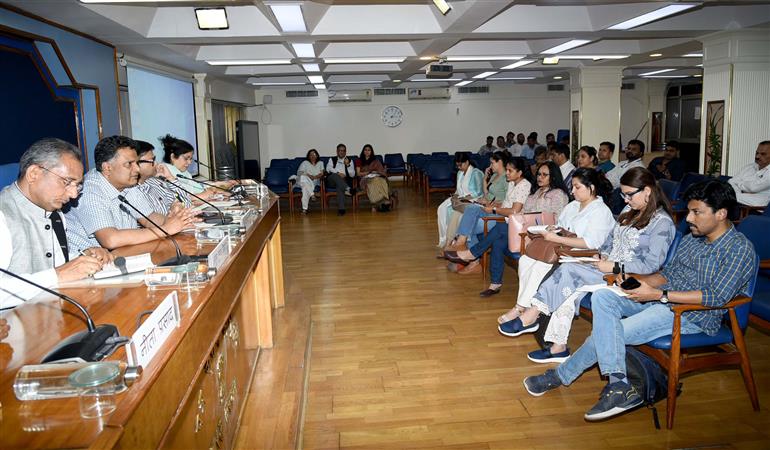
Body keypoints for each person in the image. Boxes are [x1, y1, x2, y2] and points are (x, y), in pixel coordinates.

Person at [523, 179, 756, 422]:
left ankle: (565, 376)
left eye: (697, 212)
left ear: (721, 214)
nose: (688, 218)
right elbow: (667, 275)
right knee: (605, 297)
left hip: (691, 314)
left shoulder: (738, 249)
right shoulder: (693, 239)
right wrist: (638, 283)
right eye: (689, 210)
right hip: (662, 300)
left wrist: (660, 295)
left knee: (610, 332)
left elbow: (715, 296)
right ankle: (619, 383)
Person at [525, 168, 676, 363]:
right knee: (567, 283)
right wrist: (601, 254)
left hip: (628, 277)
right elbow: (610, 239)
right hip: (606, 267)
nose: (626, 200)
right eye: (623, 195)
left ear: (647, 191)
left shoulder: (662, 223)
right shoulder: (629, 210)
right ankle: (557, 345)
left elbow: (652, 264)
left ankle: (532, 315)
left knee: (569, 273)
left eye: (629, 195)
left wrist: (613, 266)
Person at [497, 168, 615, 336]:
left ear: (592, 188)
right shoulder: (573, 206)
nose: (572, 191)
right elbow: (562, 226)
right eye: (572, 187)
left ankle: (521, 309)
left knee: (540, 267)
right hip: (562, 249)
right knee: (525, 260)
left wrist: (557, 238)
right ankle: (523, 307)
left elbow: (590, 243)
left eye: (577, 187)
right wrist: (554, 230)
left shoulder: (601, 211)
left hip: (583, 255)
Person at [0, 139, 109, 309]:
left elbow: (52, 260)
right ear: (34, 174)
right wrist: (57, 276)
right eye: (66, 182)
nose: (73, 194)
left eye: (77, 186)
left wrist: (83, 257)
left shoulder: (55, 213)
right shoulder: (3, 215)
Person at [447, 161, 569, 296]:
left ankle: (472, 253)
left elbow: (558, 220)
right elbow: (523, 213)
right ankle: (495, 284)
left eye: (545, 175)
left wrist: (534, 225)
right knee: (498, 241)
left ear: (553, 177)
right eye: (539, 174)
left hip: (543, 235)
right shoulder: (535, 192)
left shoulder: (558, 194)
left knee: (500, 228)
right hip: (526, 231)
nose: (540, 177)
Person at [65, 136, 199, 250]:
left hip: (124, 254)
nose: (137, 169)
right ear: (107, 168)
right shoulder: (90, 191)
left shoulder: (127, 184)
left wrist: (176, 220)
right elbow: (111, 239)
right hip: (91, 265)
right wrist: (167, 229)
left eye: (137, 163)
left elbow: (149, 217)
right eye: (129, 164)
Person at [446, 157, 532, 274]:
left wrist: (494, 209)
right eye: (506, 170)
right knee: (471, 208)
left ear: (520, 172)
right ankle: (461, 243)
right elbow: (506, 203)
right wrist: (493, 204)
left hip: (507, 219)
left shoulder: (524, 185)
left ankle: (473, 260)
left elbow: (514, 211)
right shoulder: (512, 183)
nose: (507, 173)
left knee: (470, 224)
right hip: (499, 211)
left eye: (510, 171)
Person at [437, 152, 484, 248]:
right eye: (457, 165)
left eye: (460, 165)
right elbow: (459, 189)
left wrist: (465, 198)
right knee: (442, 208)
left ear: (467, 162)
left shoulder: (476, 173)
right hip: (461, 198)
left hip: (473, 200)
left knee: (454, 212)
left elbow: (479, 192)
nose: (459, 168)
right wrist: (455, 196)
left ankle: (449, 243)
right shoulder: (460, 173)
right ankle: (449, 240)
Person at [134, 140, 191, 215]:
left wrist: (170, 178)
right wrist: (171, 212)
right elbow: (154, 221)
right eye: (152, 160)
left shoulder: (155, 182)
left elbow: (187, 202)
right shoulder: (133, 193)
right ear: (136, 163)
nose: (156, 163)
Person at [160, 134, 224, 200]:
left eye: (190, 159)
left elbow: (198, 187)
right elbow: (174, 199)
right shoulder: (164, 174)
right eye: (186, 158)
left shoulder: (185, 173)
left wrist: (218, 186)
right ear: (173, 157)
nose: (190, 162)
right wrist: (199, 196)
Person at [728, 140, 770, 207]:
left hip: (758, 203)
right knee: (725, 195)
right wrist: (739, 192)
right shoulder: (750, 167)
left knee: (724, 196)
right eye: (757, 153)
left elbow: (754, 188)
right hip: (740, 199)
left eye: (763, 154)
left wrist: (739, 184)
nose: (757, 156)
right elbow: (731, 181)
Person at [356, 144, 391, 212]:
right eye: (365, 150)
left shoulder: (375, 161)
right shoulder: (359, 160)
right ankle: (381, 203)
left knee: (382, 181)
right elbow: (358, 173)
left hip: (376, 177)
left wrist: (376, 173)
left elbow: (381, 171)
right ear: (363, 151)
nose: (367, 151)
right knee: (374, 181)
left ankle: (381, 203)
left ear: (371, 152)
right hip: (365, 179)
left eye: (369, 150)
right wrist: (369, 172)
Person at [325, 143, 356, 216]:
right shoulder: (332, 159)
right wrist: (338, 173)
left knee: (340, 185)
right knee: (336, 176)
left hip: (343, 181)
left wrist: (348, 165)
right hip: (331, 180)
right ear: (337, 151)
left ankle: (341, 209)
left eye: (343, 151)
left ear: (345, 152)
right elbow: (328, 169)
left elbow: (353, 175)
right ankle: (348, 189)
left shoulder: (350, 161)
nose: (341, 152)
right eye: (340, 150)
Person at [297, 149, 325, 214]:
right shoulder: (305, 162)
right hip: (304, 180)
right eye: (311, 155)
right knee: (303, 177)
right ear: (308, 156)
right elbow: (300, 172)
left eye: (314, 154)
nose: (313, 156)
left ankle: (304, 209)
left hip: (314, 181)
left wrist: (315, 177)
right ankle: (312, 194)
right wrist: (309, 176)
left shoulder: (320, 163)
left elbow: (322, 173)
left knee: (305, 188)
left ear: (317, 155)